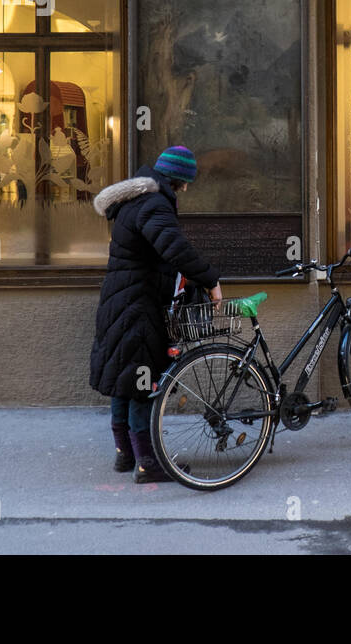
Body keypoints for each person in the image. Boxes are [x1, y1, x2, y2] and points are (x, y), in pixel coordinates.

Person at [89, 145, 223, 482]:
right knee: (141, 382)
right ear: (178, 180)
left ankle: (126, 454)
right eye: (186, 183)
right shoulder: (153, 203)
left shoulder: (137, 200)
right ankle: (149, 463)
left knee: (125, 379)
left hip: (121, 301)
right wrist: (210, 279)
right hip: (138, 305)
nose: (187, 189)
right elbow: (173, 247)